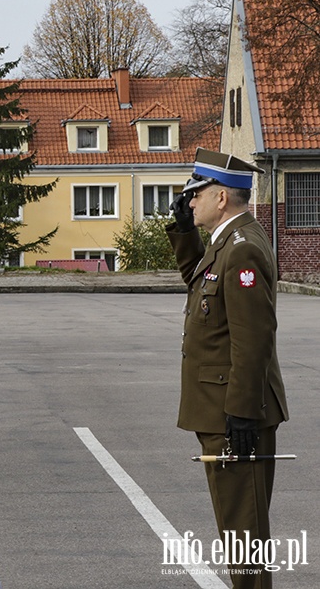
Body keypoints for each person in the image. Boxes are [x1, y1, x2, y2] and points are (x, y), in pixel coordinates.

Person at [166, 147, 288, 589]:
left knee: (245, 533)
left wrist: (240, 412)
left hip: (235, 413)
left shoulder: (243, 250)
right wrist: (183, 230)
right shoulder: (227, 242)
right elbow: (200, 282)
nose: (189, 201)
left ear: (221, 197)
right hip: (222, 408)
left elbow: (253, 340)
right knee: (237, 529)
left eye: (196, 194)